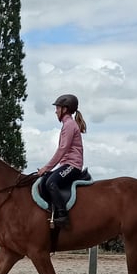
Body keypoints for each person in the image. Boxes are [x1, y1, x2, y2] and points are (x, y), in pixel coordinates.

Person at [36, 94, 87, 227]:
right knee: (46, 179)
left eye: (57, 108)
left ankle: (63, 216)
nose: (55, 111)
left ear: (65, 109)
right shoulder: (67, 124)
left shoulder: (69, 125)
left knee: (51, 183)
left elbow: (62, 149)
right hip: (66, 165)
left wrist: (46, 168)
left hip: (72, 166)